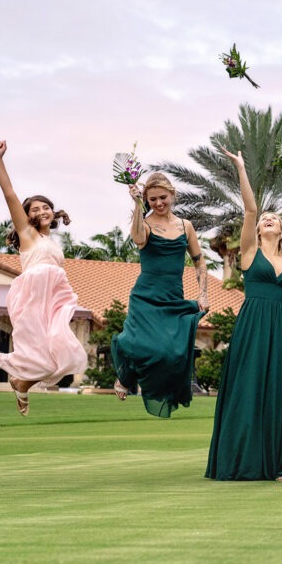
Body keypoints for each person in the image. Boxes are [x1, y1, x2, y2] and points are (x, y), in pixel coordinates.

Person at [206, 151, 282, 481]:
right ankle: (240, 461)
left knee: (277, 392)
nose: (267, 220)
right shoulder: (249, 251)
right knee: (248, 389)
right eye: (264, 219)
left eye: (273, 219)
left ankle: (276, 465)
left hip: (280, 328)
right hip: (253, 325)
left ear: (281, 230)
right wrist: (241, 166)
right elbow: (250, 209)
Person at [0, 141, 86, 415]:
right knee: (37, 355)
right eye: (35, 209)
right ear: (27, 216)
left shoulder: (51, 242)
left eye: (45, 207)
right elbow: (9, 193)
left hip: (52, 300)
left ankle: (21, 383)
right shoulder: (28, 235)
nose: (42, 211)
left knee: (63, 358)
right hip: (32, 297)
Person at [110, 172, 208, 418]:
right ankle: (125, 377)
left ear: (172, 195)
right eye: (152, 199)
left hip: (173, 296)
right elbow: (138, 238)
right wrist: (136, 205)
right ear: (146, 200)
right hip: (146, 295)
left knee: (173, 352)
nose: (159, 203)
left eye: (162, 197)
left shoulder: (185, 226)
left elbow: (199, 262)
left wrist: (203, 294)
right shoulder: (144, 223)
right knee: (135, 344)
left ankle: (160, 389)